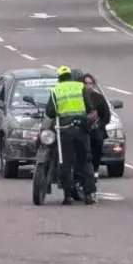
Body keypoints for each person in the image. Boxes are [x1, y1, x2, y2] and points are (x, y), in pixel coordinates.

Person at [44, 66, 97, 205]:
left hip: (64, 130)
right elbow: (90, 108)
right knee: (85, 162)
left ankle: (68, 196)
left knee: (65, 164)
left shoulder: (56, 90)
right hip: (81, 129)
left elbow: (50, 112)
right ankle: (89, 195)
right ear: (70, 76)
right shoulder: (80, 87)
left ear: (59, 78)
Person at [71, 72, 112, 199]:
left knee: (98, 141)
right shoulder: (77, 96)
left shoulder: (98, 97)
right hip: (79, 129)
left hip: (94, 130)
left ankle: (94, 169)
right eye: (85, 83)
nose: (88, 86)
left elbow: (106, 115)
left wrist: (98, 125)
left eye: (90, 83)